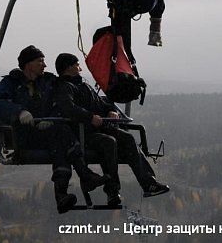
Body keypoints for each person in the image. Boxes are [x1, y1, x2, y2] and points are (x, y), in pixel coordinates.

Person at [0, 45, 108, 213]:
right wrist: (19, 112)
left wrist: (52, 118)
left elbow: (62, 99)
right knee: (62, 135)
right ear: (28, 64)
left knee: (60, 143)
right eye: (40, 61)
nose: (44, 65)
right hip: (24, 135)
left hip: (47, 131)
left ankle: (62, 196)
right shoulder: (11, 83)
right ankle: (84, 175)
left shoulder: (48, 81)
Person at [53, 53, 169, 206]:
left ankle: (148, 183)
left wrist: (109, 110)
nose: (79, 68)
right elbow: (69, 108)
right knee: (109, 142)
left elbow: (99, 101)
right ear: (68, 67)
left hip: (98, 128)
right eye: (76, 65)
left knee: (127, 138)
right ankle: (112, 190)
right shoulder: (64, 87)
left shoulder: (82, 84)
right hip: (83, 133)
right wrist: (89, 117)